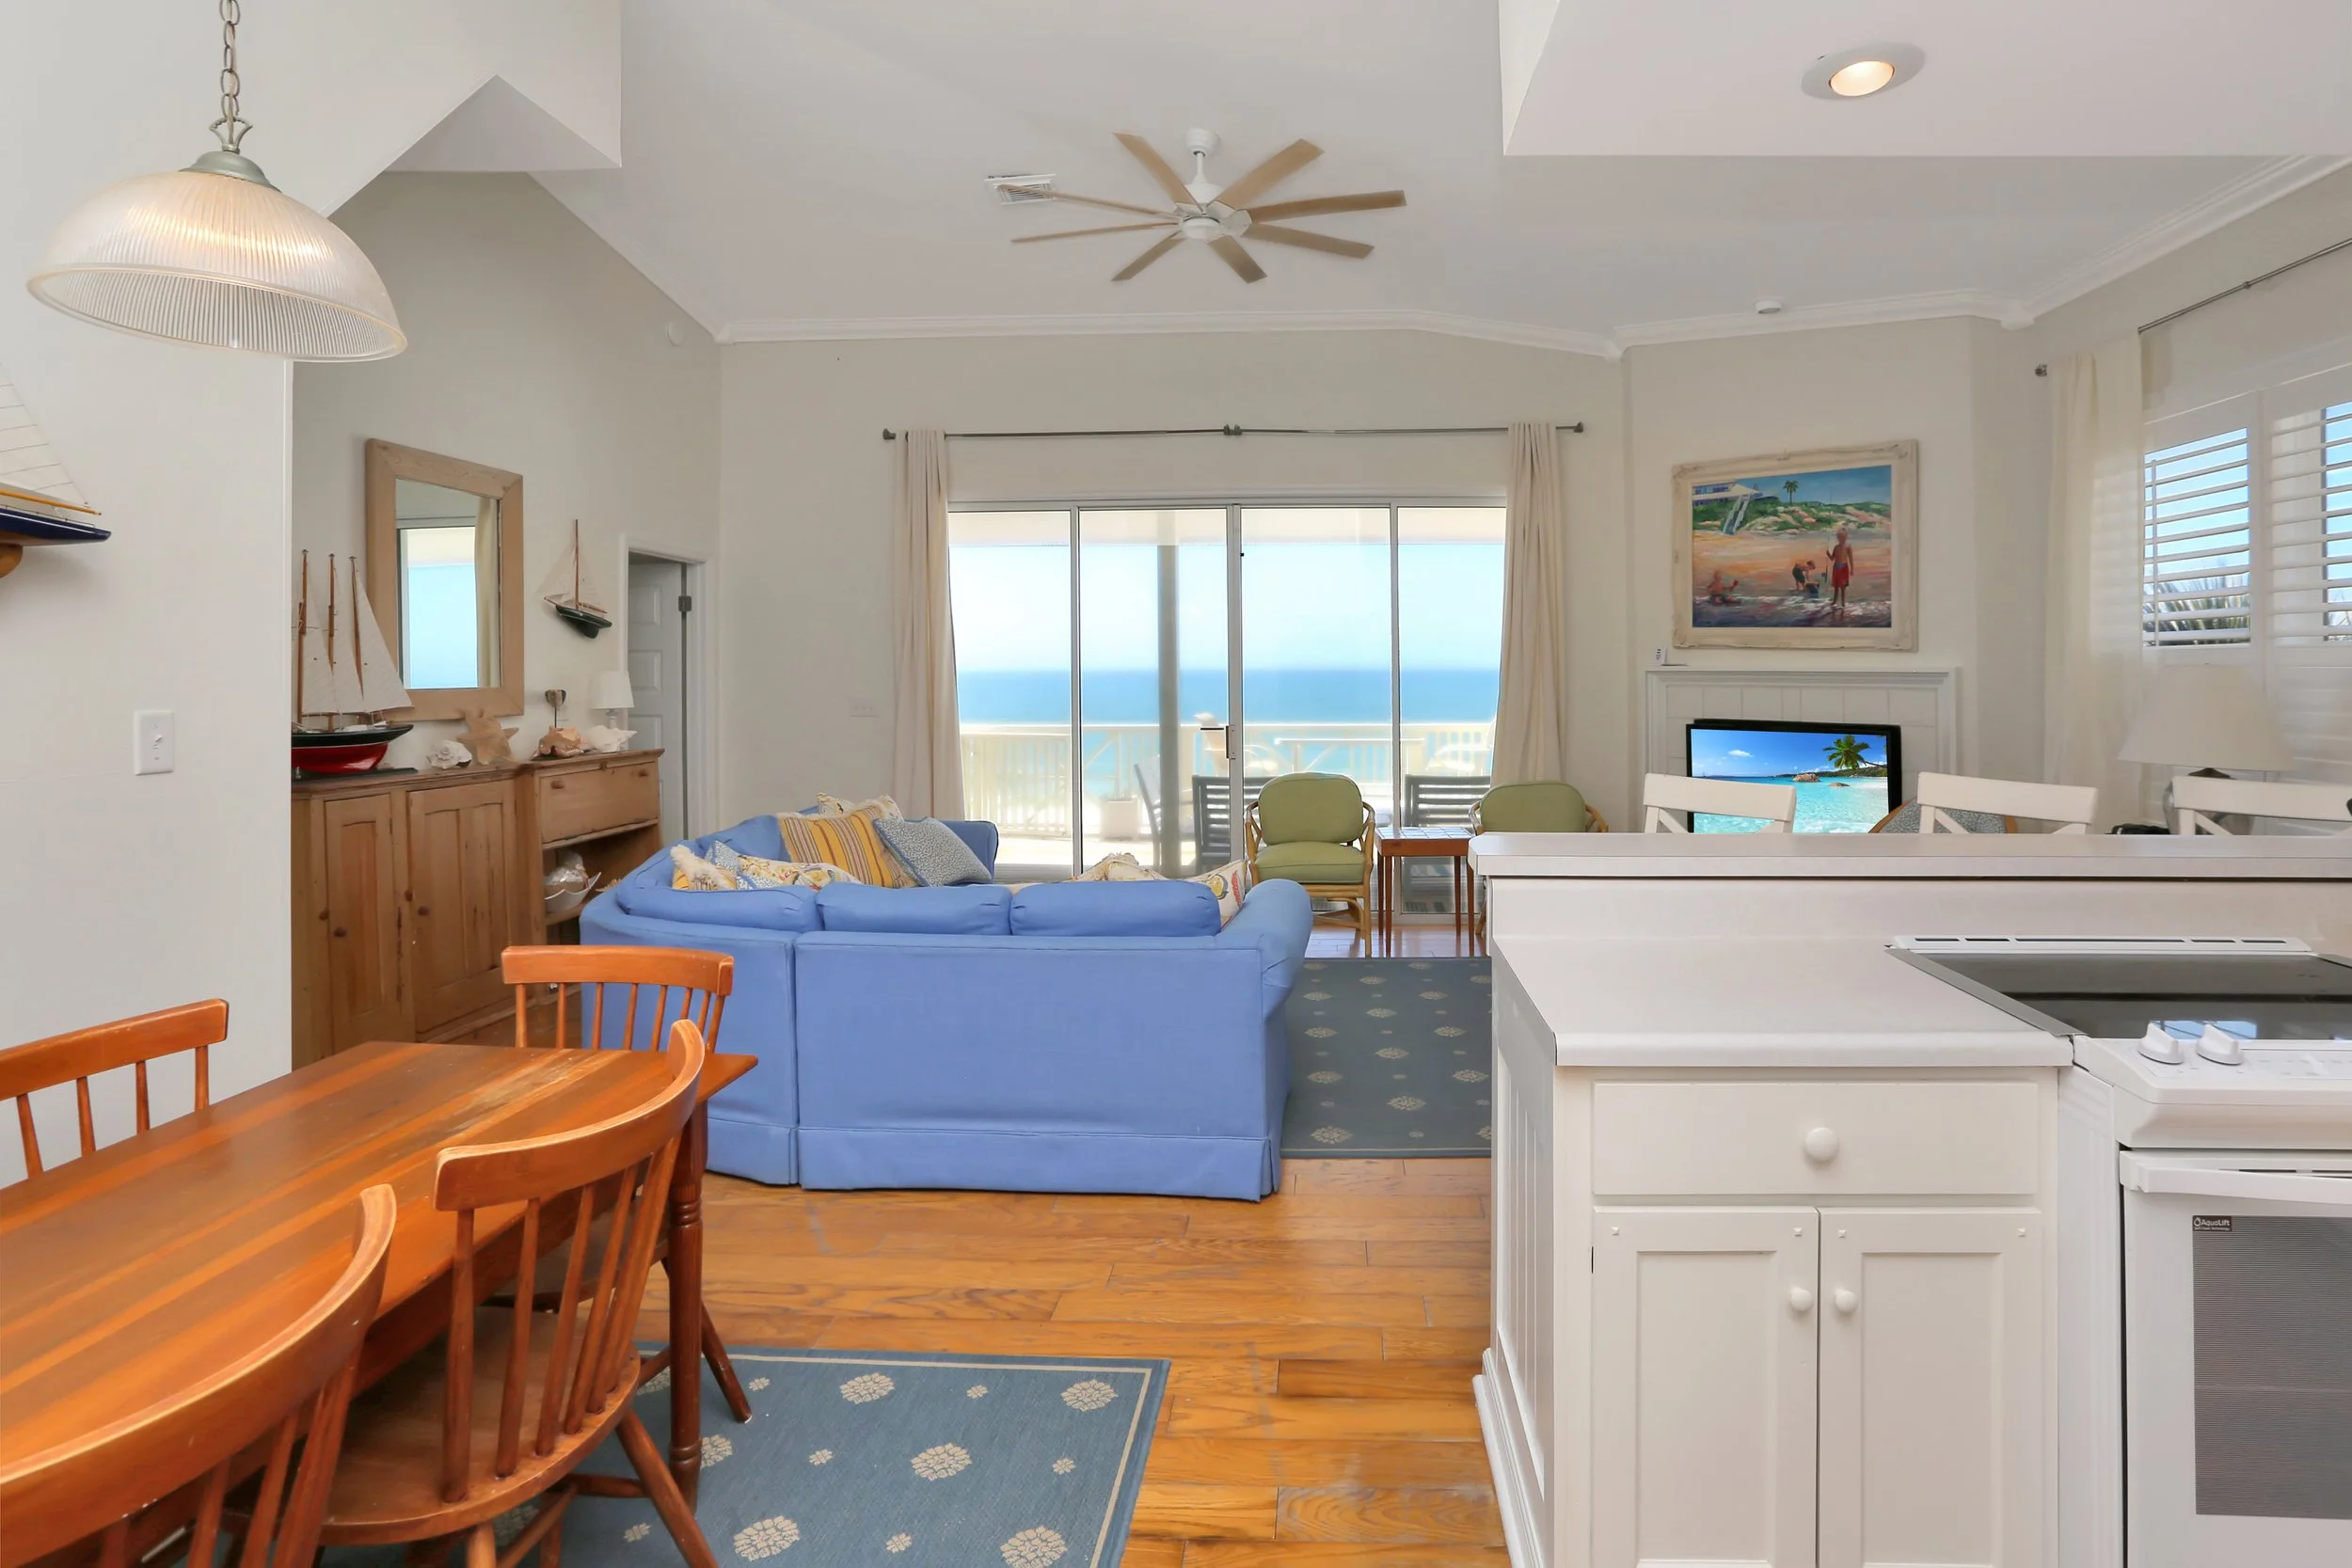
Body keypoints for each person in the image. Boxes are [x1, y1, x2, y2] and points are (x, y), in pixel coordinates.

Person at [1828, 527, 1853, 613]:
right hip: (1836, 568)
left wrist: (1852, 569)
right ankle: (1834, 602)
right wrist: (1828, 554)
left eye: (1842, 537)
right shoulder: (1836, 547)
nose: (1840, 539)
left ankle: (1843, 603)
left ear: (1846, 537)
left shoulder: (1848, 546)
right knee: (1836, 587)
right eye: (1839, 537)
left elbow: (1851, 558)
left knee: (1843, 587)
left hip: (1844, 568)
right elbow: (1832, 558)